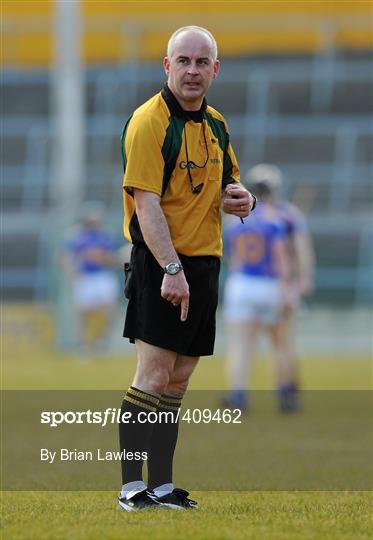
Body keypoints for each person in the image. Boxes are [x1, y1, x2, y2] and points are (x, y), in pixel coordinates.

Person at [118, 26, 255, 511]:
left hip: (204, 264)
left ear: (214, 70)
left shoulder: (216, 123)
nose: (192, 70)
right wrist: (171, 268)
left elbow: (229, 182)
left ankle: (161, 485)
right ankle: (131, 488)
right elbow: (148, 204)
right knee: (152, 377)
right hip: (162, 262)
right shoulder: (149, 122)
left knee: (178, 382)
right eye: (184, 61)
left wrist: (245, 198)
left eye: (202, 62)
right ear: (167, 65)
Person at [223, 164, 314, 412]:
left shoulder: (235, 215)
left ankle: (237, 396)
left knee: (240, 344)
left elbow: (233, 255)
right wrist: (297, 282)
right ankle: (286, 394)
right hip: (272, 284)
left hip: (240, 283)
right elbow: (292, 254)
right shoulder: (283, 216)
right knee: (281, 342)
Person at [61, 202, 120, 355]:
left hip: (102, 276)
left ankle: (101, 342)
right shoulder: (76, 236)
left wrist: (100, 258)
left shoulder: (106, 236)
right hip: (85, 277)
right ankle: (82, 345)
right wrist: (72, 274)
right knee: (83, 314)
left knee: (110, 311)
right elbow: (66, 257)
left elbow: (111, 258)